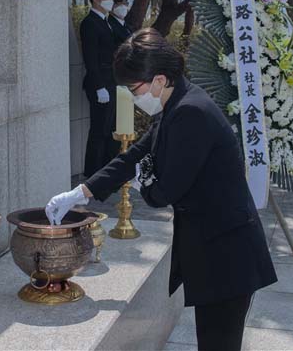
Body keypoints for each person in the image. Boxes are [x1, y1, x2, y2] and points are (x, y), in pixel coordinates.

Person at [45, 28, 278, 351]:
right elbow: (136, 155)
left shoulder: (190, 112)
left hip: (227, 256)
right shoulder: (177, 101)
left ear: (158, 79)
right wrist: (81, 192)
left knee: (218, 343)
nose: (132, 95)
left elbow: (165, 191)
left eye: (133, 88)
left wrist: (144, 181)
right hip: (216, 248)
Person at [80, 0, 119, 177]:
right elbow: (91, 58)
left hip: (111, 80)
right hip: (100, 83)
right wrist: (98, 86)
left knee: (111, 128)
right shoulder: (89, 23)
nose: (111, 0)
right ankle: (93, 174)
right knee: (99, 130)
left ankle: (107, 172)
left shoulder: (106, 22)